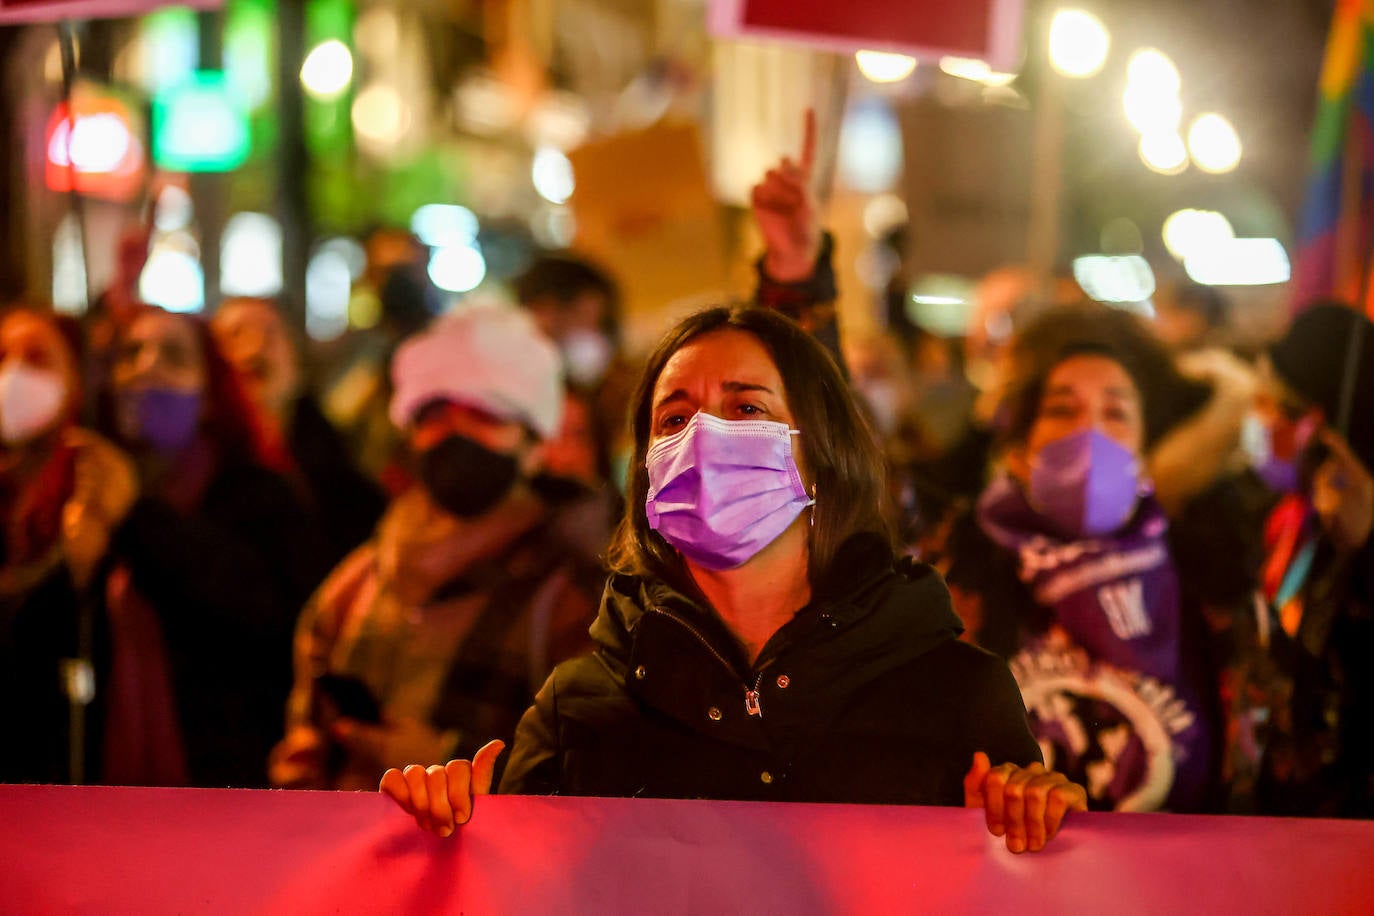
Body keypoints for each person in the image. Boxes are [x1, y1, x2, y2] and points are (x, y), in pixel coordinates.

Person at [380, 305, 1086, 854]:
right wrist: (450, 831)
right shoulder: (580, 710)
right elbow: (510, 887)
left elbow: (1022, 884)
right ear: (646, 470)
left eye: (747, 408)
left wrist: (1036, 820)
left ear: (821, 452)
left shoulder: (955, 694)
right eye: (675, 417)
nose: (704, 438)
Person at [941, 306, 1264, 813]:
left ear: (1146, 452)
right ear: (1021, 449)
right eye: (1062, 410)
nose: (1089, 431)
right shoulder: (954, 579)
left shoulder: (1207, 579)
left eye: (1115, 413)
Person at [269, 306, 606, 791]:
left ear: (533, 443)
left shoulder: (574, 595)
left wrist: (450, 762)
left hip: (490, 861)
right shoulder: (358, 580)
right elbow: (306, 727)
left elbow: (585, 772)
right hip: (349, 854)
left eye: (486, 414)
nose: (455, 433)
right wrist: (304, 766)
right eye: (435, 413)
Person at [99, 308, 332, 786]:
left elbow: (262, 618)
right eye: (132, 353)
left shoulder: (257, 494)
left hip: (226, 777)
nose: (147, 368)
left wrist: (137, 517)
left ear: (209, 395)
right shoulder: (84, 488)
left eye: (174, 356)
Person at [0, 307, 161, 785]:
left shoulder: (95, 478)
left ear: (75, 380)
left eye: (38, 359)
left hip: (63, 746)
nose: (14, 374)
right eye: (3, 356)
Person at [1251, 302, 1374, 816]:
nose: (1267, 422)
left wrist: (1367, 548)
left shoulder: (1354, 515)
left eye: (1288, 407)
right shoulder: (1294, 512)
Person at [211, 296, 386, 565]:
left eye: (270, 333)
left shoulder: (337, 454)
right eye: (235, 334)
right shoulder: (205, 469)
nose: (255, 347)